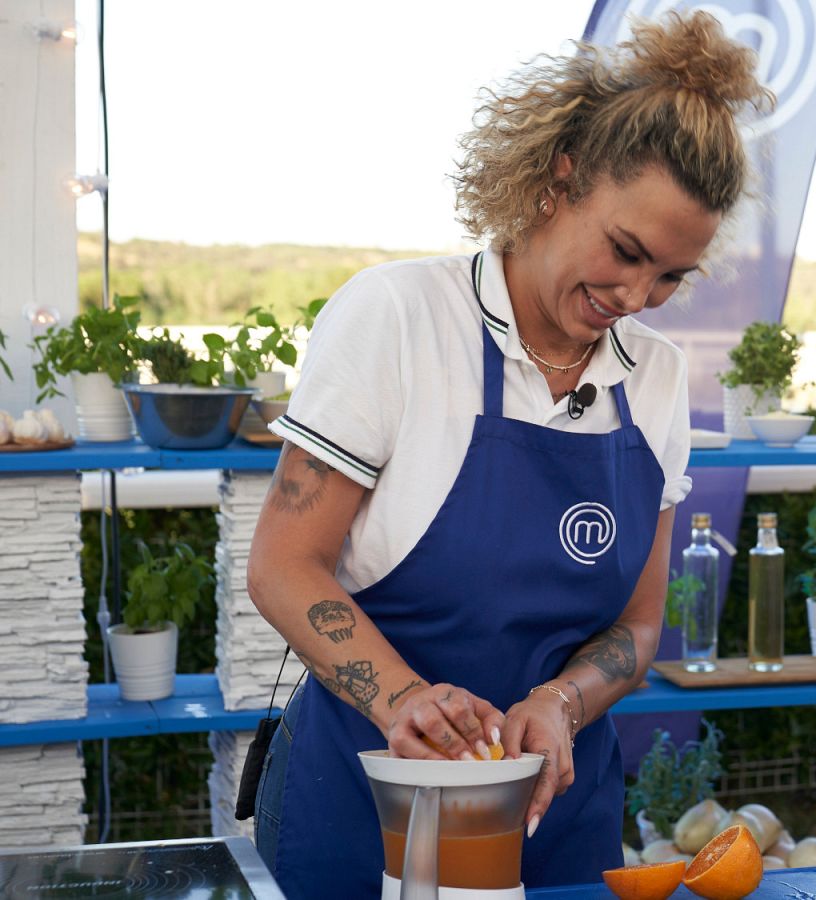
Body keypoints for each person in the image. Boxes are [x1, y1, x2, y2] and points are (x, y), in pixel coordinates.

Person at [246, 13, 769, 895]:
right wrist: (405, 701)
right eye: (626, 252)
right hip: (370, 809)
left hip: (557, 818)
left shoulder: (656, 377)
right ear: (560, 178)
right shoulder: (399, 318)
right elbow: (282, 565)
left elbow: (638, 627)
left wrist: (561, 702)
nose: (635, 296)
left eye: (669, 277)